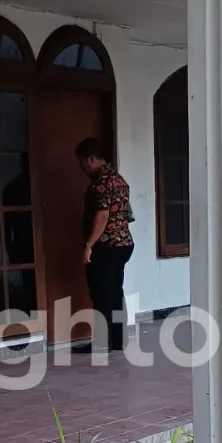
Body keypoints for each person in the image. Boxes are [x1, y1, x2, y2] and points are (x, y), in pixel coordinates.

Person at [75, 137, 134, 352]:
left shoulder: (100, 184)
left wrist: (89, 244)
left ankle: (102, 342)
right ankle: (118, 340)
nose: (82, 167)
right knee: (115, 292)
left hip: (105, 246)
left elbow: (102, 215)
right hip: (124, 243)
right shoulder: (119, 180)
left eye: (82, 162)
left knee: (101, 294)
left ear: (90, 159)